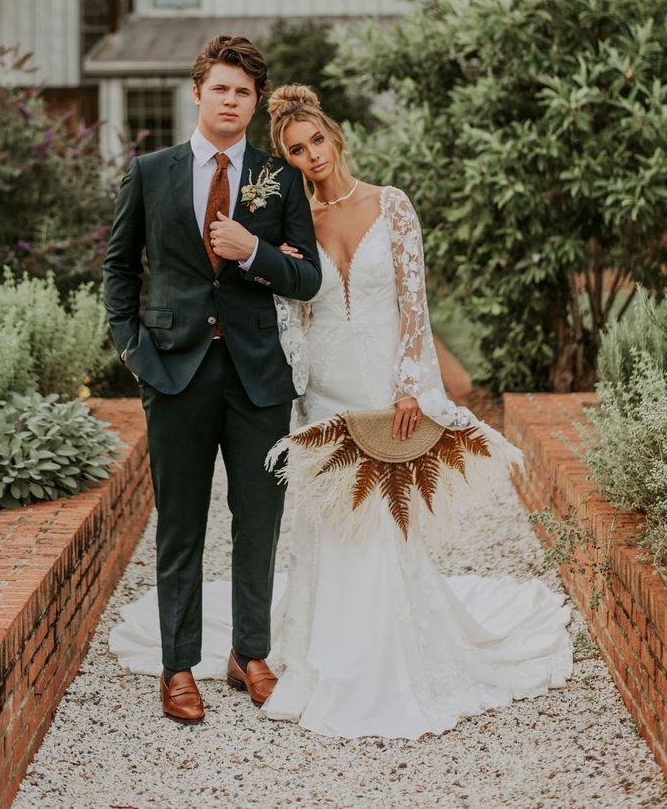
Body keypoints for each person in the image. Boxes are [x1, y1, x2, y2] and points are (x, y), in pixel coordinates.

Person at [110, 84, 573, 739]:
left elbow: (416, 304)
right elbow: (285, 304)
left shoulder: (392, 205)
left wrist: (412, 382)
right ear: (287, 162)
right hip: (323, 387)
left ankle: (395, 656)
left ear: (336, 137)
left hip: (386, 382)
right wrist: (287, 379)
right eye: (295, 152)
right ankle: (318, 654)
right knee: (331, 526)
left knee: (389, 521)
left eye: (316, 142)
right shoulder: (292, 221)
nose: (309, 157)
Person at [103, 41, 322, 725]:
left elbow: (308, 275)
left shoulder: (277, 178)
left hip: (259, 376)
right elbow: (118, 271)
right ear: (197, 92)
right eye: (221, 89)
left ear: (257, 104)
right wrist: (136, 352)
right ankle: (177, 666)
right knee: (182, 527)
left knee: (258, 522)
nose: (232, 101)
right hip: (175, 373)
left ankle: (249, 654)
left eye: (245, 93)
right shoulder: (150, 173)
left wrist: (253, 251)